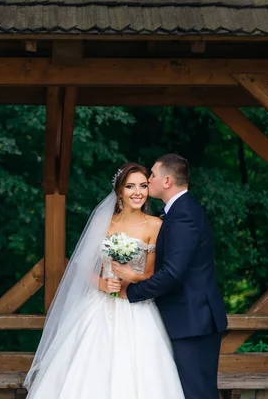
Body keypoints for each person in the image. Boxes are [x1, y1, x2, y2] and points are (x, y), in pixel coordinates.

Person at [23, 162, 184, 399]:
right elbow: (81, 266)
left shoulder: (155, 225)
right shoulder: (104, 222)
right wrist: (102, 284)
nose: (137, 192)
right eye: (130, 186)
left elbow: (150, 275)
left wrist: (131, 278)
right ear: (120, 191)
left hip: (136, 307)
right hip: (98, 305)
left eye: (142, 186)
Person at [113, 154, 228, 399]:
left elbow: (173, 274)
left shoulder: (183, 215)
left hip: (193, 321)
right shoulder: (180, 211)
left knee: (198, 393)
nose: (148, 180)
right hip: (189, 319)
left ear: (166, 181)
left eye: (151, 176)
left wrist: (132, 290)